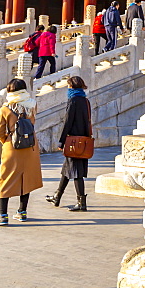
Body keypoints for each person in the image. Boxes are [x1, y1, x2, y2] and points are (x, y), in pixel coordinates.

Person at [0, 78, 43, 225]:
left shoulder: (5, 109)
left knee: (5, 179)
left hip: (12, 147)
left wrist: (8, 143)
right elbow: (32, 124)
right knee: (26, 178)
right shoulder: (32, 105)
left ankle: (2, 215)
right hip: (31, 146)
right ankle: (22, 212)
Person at [46, 75, 91, 211]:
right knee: (67, 170)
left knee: (76, 172)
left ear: (71, 86)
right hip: (83, 139)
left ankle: (81, 202)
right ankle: (57, 196)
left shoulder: (73, 100)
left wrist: (61, 141)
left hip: (73, 141)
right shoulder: (85, 101)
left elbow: (68, 122)